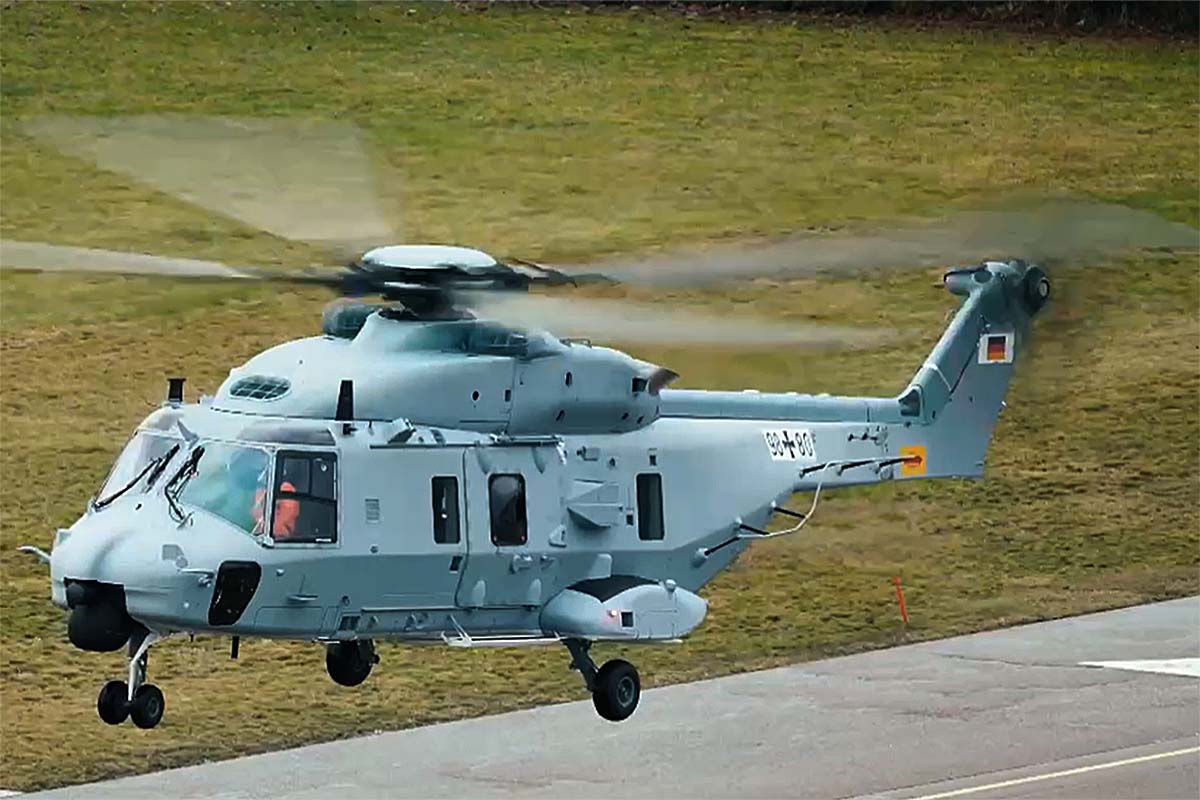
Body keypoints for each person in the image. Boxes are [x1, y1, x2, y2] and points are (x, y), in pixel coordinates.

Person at [251, 472, 300, 539]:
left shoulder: (287, 489)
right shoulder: (260, 492)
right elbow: (255, 513)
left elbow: (288, 513)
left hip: (281, 539)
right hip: (259, 537)